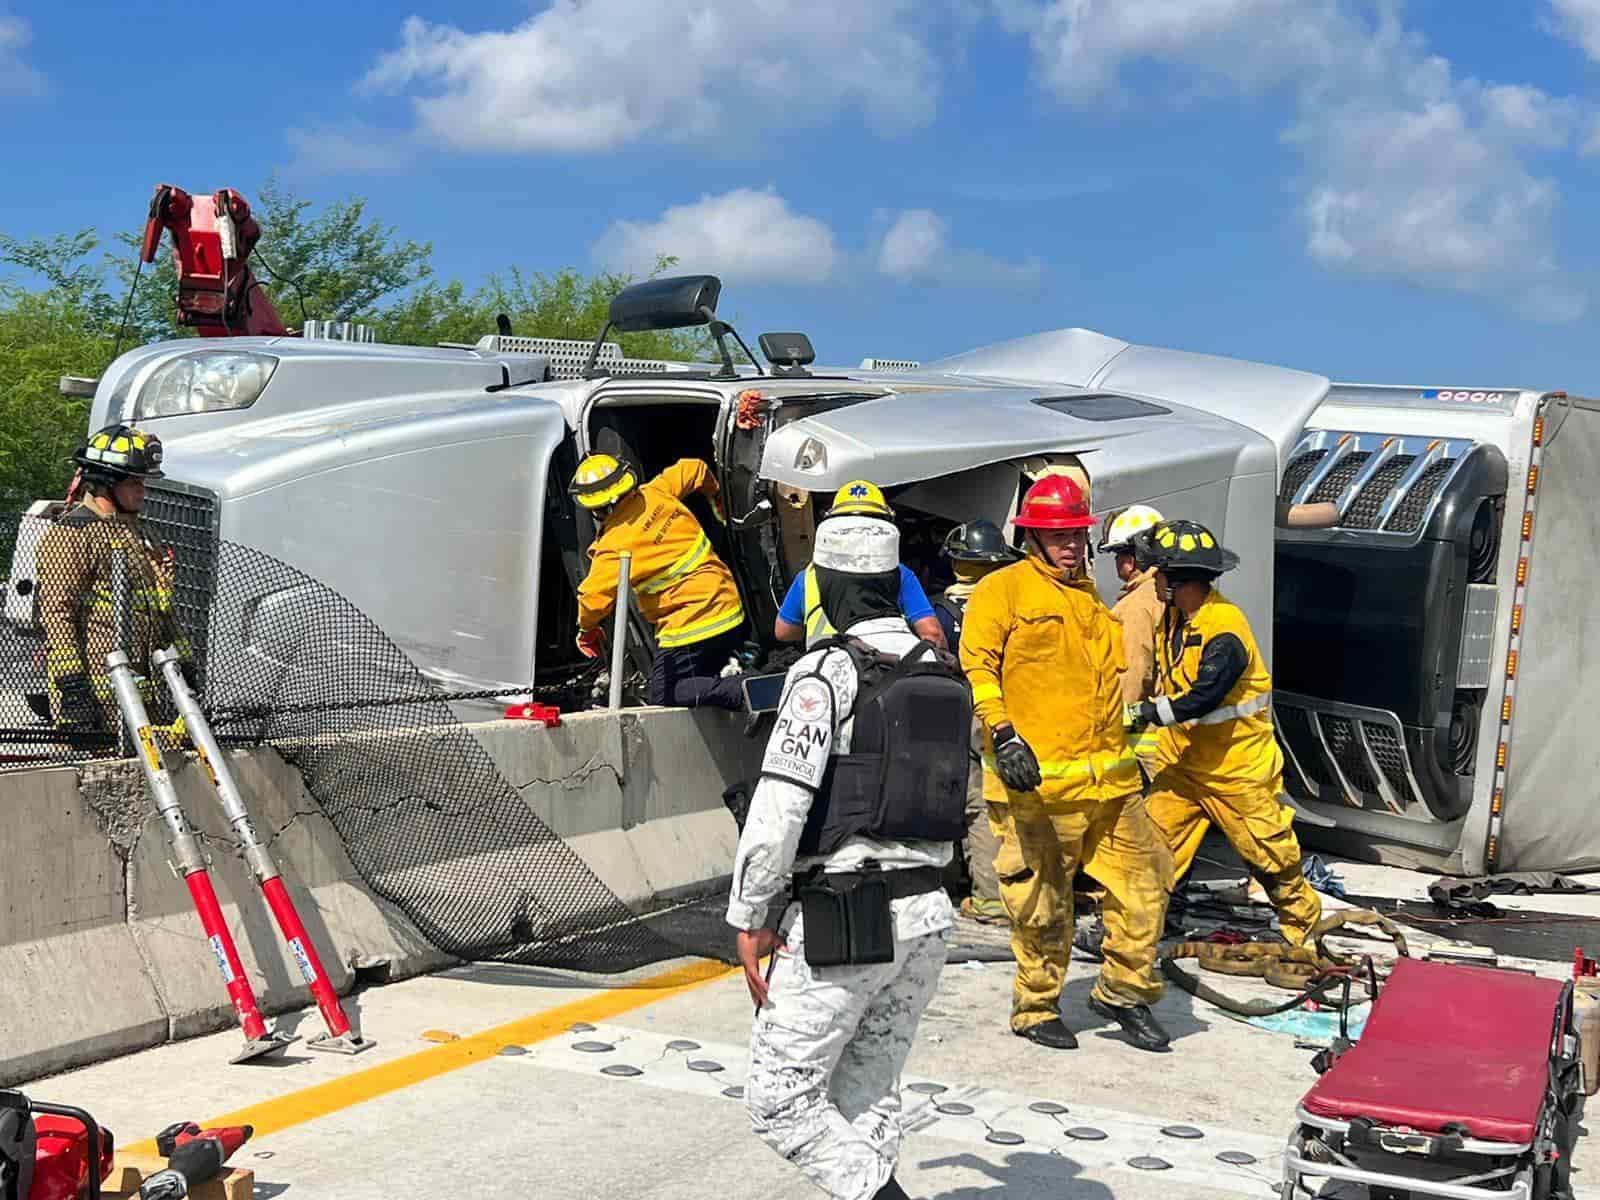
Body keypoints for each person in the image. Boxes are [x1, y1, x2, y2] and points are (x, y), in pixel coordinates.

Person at [729, 512, 970, 1200]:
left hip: (847, 917)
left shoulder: (825, 673)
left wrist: (751, 915)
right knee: (867, 1093)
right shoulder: (943, 671)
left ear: (827, 586)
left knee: (780, 1101)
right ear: (894, 584)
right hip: (928, 914)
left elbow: (781, 804)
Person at [959, 475, 1174, 1052]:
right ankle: (1036, 1006)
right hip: (1039, 786)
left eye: (1077, 535)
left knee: (1148, 885)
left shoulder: (1090, 600)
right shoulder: (1002, 591)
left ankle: (1122, 992)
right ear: (1031, 536)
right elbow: (978, 667)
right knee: (1042, 903)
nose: (1072, 546)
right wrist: (1003, 733)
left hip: (1111, 784)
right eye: (1059, 536)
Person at [1128, 519, 1323, 946]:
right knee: (1150, 848)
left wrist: (1142, 714)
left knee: (1270, 857)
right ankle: (1131, 934)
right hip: (1186, 767)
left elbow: (1202, 697)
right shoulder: (1174, 618)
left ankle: (1303, 935)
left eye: (1159, 573)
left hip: (1237, 771)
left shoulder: (1225, 629)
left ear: (1179, 580)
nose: (1153, 580)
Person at [37, 423, 183, 733]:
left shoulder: (142, 534)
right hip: (93, 701)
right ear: (105, 482)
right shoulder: (73, 534)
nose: (142, 490)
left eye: (143, 482)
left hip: (140, 697)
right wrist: (72, 687)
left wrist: (186, 665)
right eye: (133, 482)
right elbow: (57, 613)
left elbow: (162, 610)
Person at [571, 454, 747, 710]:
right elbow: (695, 469)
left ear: (595, 508)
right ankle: (739, 690)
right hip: (727, 603)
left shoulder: (614, 544)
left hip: (691, 623)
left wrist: (586, 631)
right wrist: (717, 499)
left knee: (664, 697)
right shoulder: (656, 492)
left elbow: (592, 599)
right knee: (701, 678)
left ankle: (742, 690)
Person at [933, 519, 1021, 926]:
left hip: (955, 712)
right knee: (1000, 802)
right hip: (1005, 711)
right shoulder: (1012, 603)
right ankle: (1004, 891)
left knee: (964, 800)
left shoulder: (938, 613)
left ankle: (981, 896)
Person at [773, 480, 947, 650]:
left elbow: (783, 632)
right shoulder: (899, 573)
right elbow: (933, 634)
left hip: (825, 663)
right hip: (888, 663)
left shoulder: (809, 576)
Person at [1097, 504, 1168, 770]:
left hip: (1147, 739)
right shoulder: (1169, 591)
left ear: (1137, 554)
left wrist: (1112, 727)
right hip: (1172, 729)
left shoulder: (1136, 605)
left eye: (1120, 553)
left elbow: (1133, 673)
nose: (1118, 562)